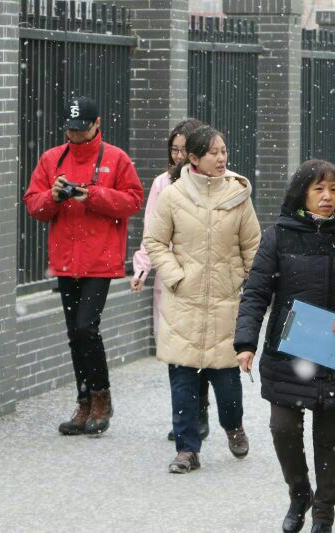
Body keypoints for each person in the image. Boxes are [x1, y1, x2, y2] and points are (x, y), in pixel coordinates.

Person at [234, 160, 335, 533]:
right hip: (288, 353)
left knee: (329, 440)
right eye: (319, 189)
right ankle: (300, 494)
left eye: (333, 189)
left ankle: (324, 514)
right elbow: (256, 293)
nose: (328, 196)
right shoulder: (278, 236)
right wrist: (246, 342)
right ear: (302, 193)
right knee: (283, 430)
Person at [23, 96, 144, 436]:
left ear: (96, 124)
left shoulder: (116, 158)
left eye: (80, 129)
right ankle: (84, 402)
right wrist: (54, 196)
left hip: (100, 260)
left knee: (86, 328)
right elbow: (33, 204)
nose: (74, 135)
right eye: (70, 129)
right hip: (65, 260)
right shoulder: (52, 159)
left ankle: (101, 398)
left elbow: (133, 201)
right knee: (74, 333)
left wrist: (90, 195)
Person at [143, 125, 261, 473]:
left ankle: (233, 426)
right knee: (183, 380)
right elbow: (155, 241)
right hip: (183, 302)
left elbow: (253, 246)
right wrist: (175, 276)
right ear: (193, 158)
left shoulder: (238, 196)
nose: (221, 158)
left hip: (226, 302)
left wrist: (247, 281)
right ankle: (187, 449)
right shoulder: (173, 195)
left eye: (224, 151)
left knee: (227, 381)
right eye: (213, 152)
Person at [129, 118, 213, 442]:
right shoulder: (162, 184)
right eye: (174, 150)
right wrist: (142, 269)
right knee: (175, 350)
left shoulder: (214, 183)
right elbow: (152, 233)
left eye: (184, 150)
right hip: (171, 280)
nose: (178, 156)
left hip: (202, 278)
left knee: (199, 348)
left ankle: (199, 407)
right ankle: (183, 416)